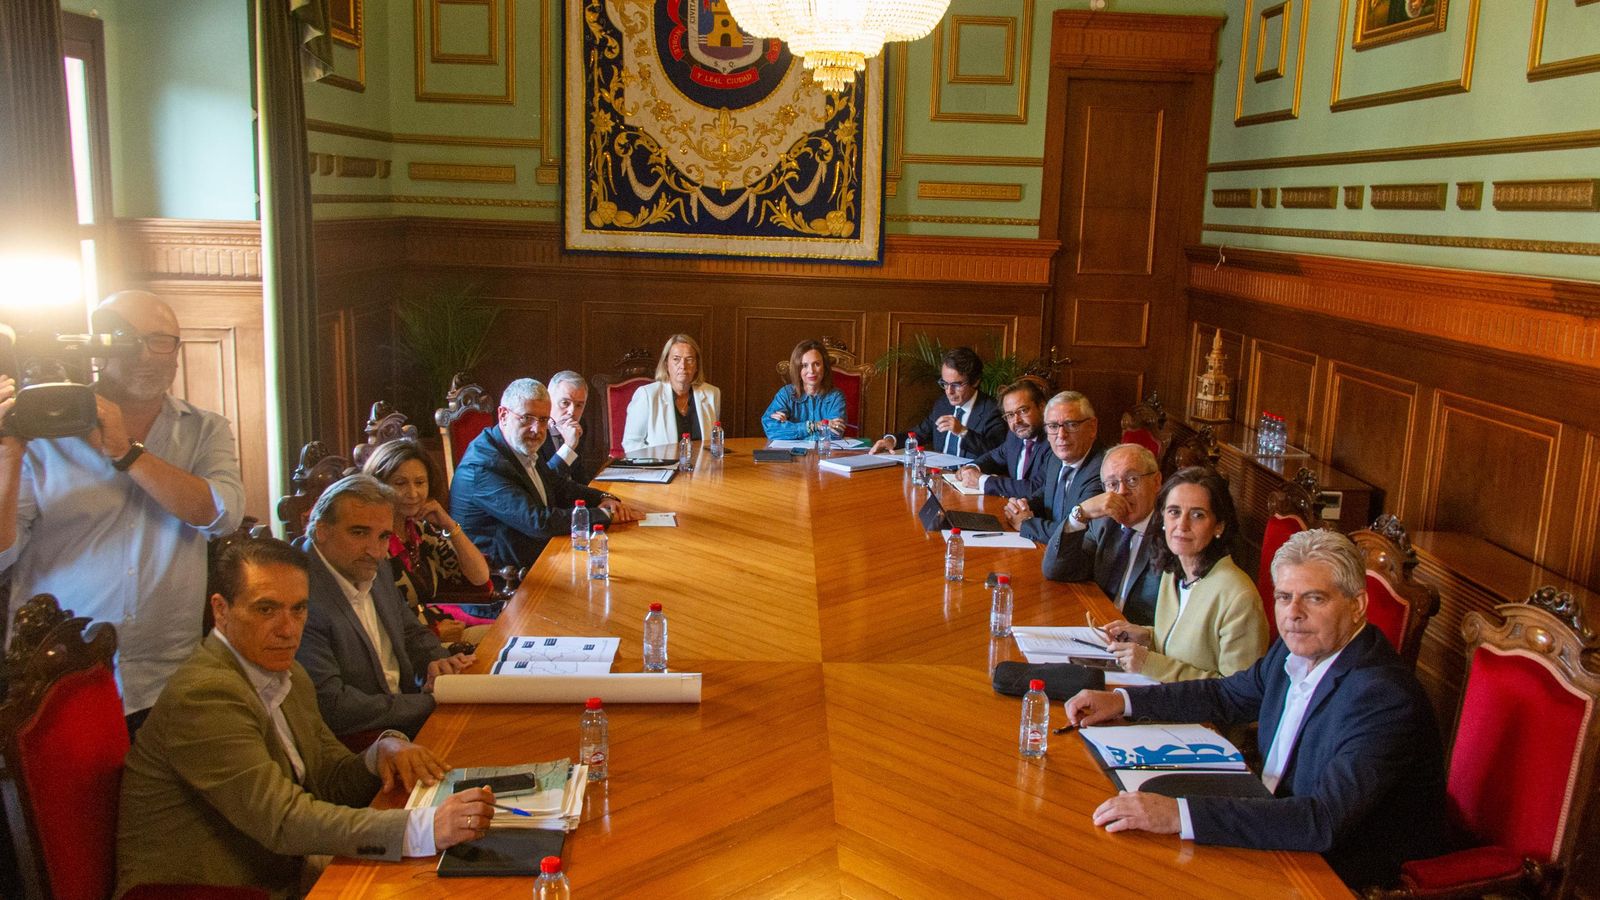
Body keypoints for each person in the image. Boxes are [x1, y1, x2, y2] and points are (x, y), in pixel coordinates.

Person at [1064, 529, 1449, 890]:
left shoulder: (1382, 696)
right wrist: (1123, 700)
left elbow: (1323, 821)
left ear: (1357, 605)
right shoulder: (1295, 646)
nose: (1293, 613)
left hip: (1332, 870)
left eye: (1314, 598)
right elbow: (1227, 696)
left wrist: (1177, 815)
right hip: (1270, 820)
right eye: (1284, 597)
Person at [116, 537, 496, 899]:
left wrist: (380, 754)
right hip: (211, 889)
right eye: (266, 609)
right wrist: (425, 827)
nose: (288, 628)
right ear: (221, 610)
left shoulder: (288, 673)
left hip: (281, 869)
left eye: (298, 609)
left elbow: (325, 778)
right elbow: (283, 820)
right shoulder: (204, 696)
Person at [0, 290, 245, 729]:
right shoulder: (41, 431)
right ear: (96, 346)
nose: (145, 355)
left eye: (160, 341)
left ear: (177, 351)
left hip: (168, 676)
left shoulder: (204, 430)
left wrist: (126, 452)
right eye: (125, 338)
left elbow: (220, 513)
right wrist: (8, 458)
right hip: (58, 678)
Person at [297, 474, 475, 738]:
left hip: (408, 712)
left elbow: (408, 629)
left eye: (383, 537)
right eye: (359, 532)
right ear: (321, 530)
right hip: (367, 740)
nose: (376, 550)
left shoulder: (371, 562)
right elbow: (334, 705)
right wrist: (430, 702)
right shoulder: (297, 595)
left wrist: (436, 660)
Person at [1095, 467, 1267, 680]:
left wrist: (1150, 663)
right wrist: (1148, 637)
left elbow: (1238, 695)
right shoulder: (1174, 574)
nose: (1182, 525)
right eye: (1174, 512)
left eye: (1197, 515)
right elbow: (1185, 646)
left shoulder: (1239, 598)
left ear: (1219, 526)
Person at [451, 378, 635, 570]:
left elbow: (558, 484)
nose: (536, 429)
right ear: (503, 415)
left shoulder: (517, 445)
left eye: (543, 420)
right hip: (503, 577)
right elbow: (537, 522)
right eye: (527, 418)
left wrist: (605, 498)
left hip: (536, 554)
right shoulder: (483, 466)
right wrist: (604, 514)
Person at [360, 440, 494, 640]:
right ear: (378, 485)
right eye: (400, 483)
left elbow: (480, 579)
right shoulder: (375, 543)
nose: (413, 493)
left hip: (432, 632)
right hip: (409, 645)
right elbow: (376, 619)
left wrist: (449, 524)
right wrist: (435, 633)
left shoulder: (419, 531)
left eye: (420, 483)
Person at [1041, 443, 1164, 626]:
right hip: (1097, 624)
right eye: (1113, 484)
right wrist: (1080, 513)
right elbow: (1057, 569)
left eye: (1132, 480)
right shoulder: (1104, 523)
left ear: (1156, 482)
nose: (1121, 491)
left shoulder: (1173, 534)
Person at [869, 346, 1006, 459]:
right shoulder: (943, 404)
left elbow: (997, 453)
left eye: (956, 385)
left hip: (970, 482)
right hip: (938, 477)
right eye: (945, 384)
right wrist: (891, 441)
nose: (949, 391)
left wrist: (963, 431)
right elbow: (919, 434)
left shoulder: (992, 410)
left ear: (975, 381)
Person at [1003, 391, 1103, 543]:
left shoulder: (1102, 471)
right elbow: (1046, 495)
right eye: (1053, 426)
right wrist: (1021, 507)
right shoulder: (1055, 458)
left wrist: (1026, 523)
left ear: (1092, 427)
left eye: (1071, 425)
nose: (1061, 435)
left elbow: (1077, 533)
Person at [621, 334, 721, 452]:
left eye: (689, 359)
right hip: (661, 467)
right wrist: (658, 465)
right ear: (666, 364)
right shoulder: (647, 395)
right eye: (676, 359)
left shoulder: (712, 393)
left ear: (697, 366)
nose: (683, 366)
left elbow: (714, 442)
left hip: (702, 467)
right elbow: (631, 443)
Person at [954, 379, 1048, 498]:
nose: (1016, 421)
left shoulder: (1055, 441)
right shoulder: (1014, 437)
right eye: (1010, 415)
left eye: (1023, 410)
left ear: (1042, 407)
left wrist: (982, 481)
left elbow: (1035, 488)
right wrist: (971, 468)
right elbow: (994, 457)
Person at [762, 338, 847, 440]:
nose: (811, 371)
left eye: (817, 364)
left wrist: (789, 430)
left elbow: (834, 434)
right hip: (790, 454)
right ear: (797, 369)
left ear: (824, 367)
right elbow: (772, 430)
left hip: (824, 454)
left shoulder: (835, 397)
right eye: (804, 365)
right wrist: (814, 426)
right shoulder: (786, 394)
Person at [538, 370, 598, 484]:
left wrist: (599, 496)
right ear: (548, 400)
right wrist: (568, 447)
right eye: (565, 403)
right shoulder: (536, 428)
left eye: (579, 405)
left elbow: (577, 473)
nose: (572, 411)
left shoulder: (580, 426)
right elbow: (545, 483)